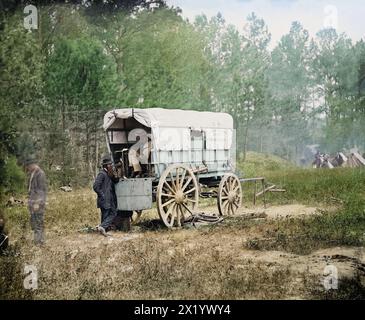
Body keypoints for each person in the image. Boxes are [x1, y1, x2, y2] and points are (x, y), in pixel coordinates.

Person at [93, 156, 118, 236]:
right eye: (110, 164)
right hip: (104, 199)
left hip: (110, 199)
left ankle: (102, 228)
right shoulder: (102, 174)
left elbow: (116, 181)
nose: (112, 166)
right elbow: (96, 186)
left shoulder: (109, 174)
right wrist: (102, 195)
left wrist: (114, 175)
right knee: (106, 214)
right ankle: (103, 229)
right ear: (107, 166)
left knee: (113, 213)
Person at [24, 158, 47, 246]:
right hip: (32, 202)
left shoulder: (40, 174)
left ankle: (40, 242)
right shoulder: (32, 173)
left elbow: (41, 190)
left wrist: (37, 203)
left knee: (38, 222)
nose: (27, 168)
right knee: (34, 223)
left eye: (28, 166)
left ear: (33, 165)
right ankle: (37, 240)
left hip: (38, 203)